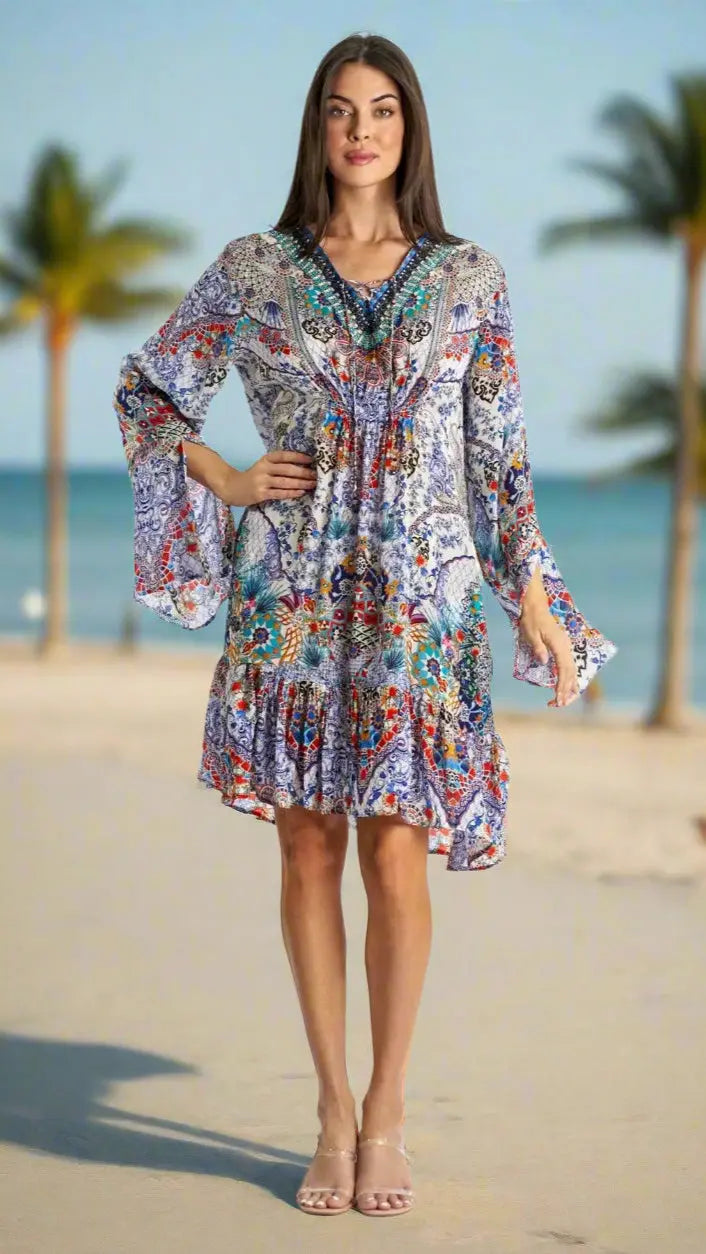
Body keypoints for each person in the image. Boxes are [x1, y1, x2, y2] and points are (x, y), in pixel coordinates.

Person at [113, 31, 617, 1218]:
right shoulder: (255, 269)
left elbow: (498, 465)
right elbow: (148, 389)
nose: (361, 130)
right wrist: (228, 478)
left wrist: (535, 604)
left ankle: (387, 1111)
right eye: (341, 110)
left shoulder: (468, 277)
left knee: (396, 850)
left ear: (409, 127)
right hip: (291, 592)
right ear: (317, 126)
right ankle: (331, 1111)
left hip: (419, 605)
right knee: (306, 848)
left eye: (382, 109)